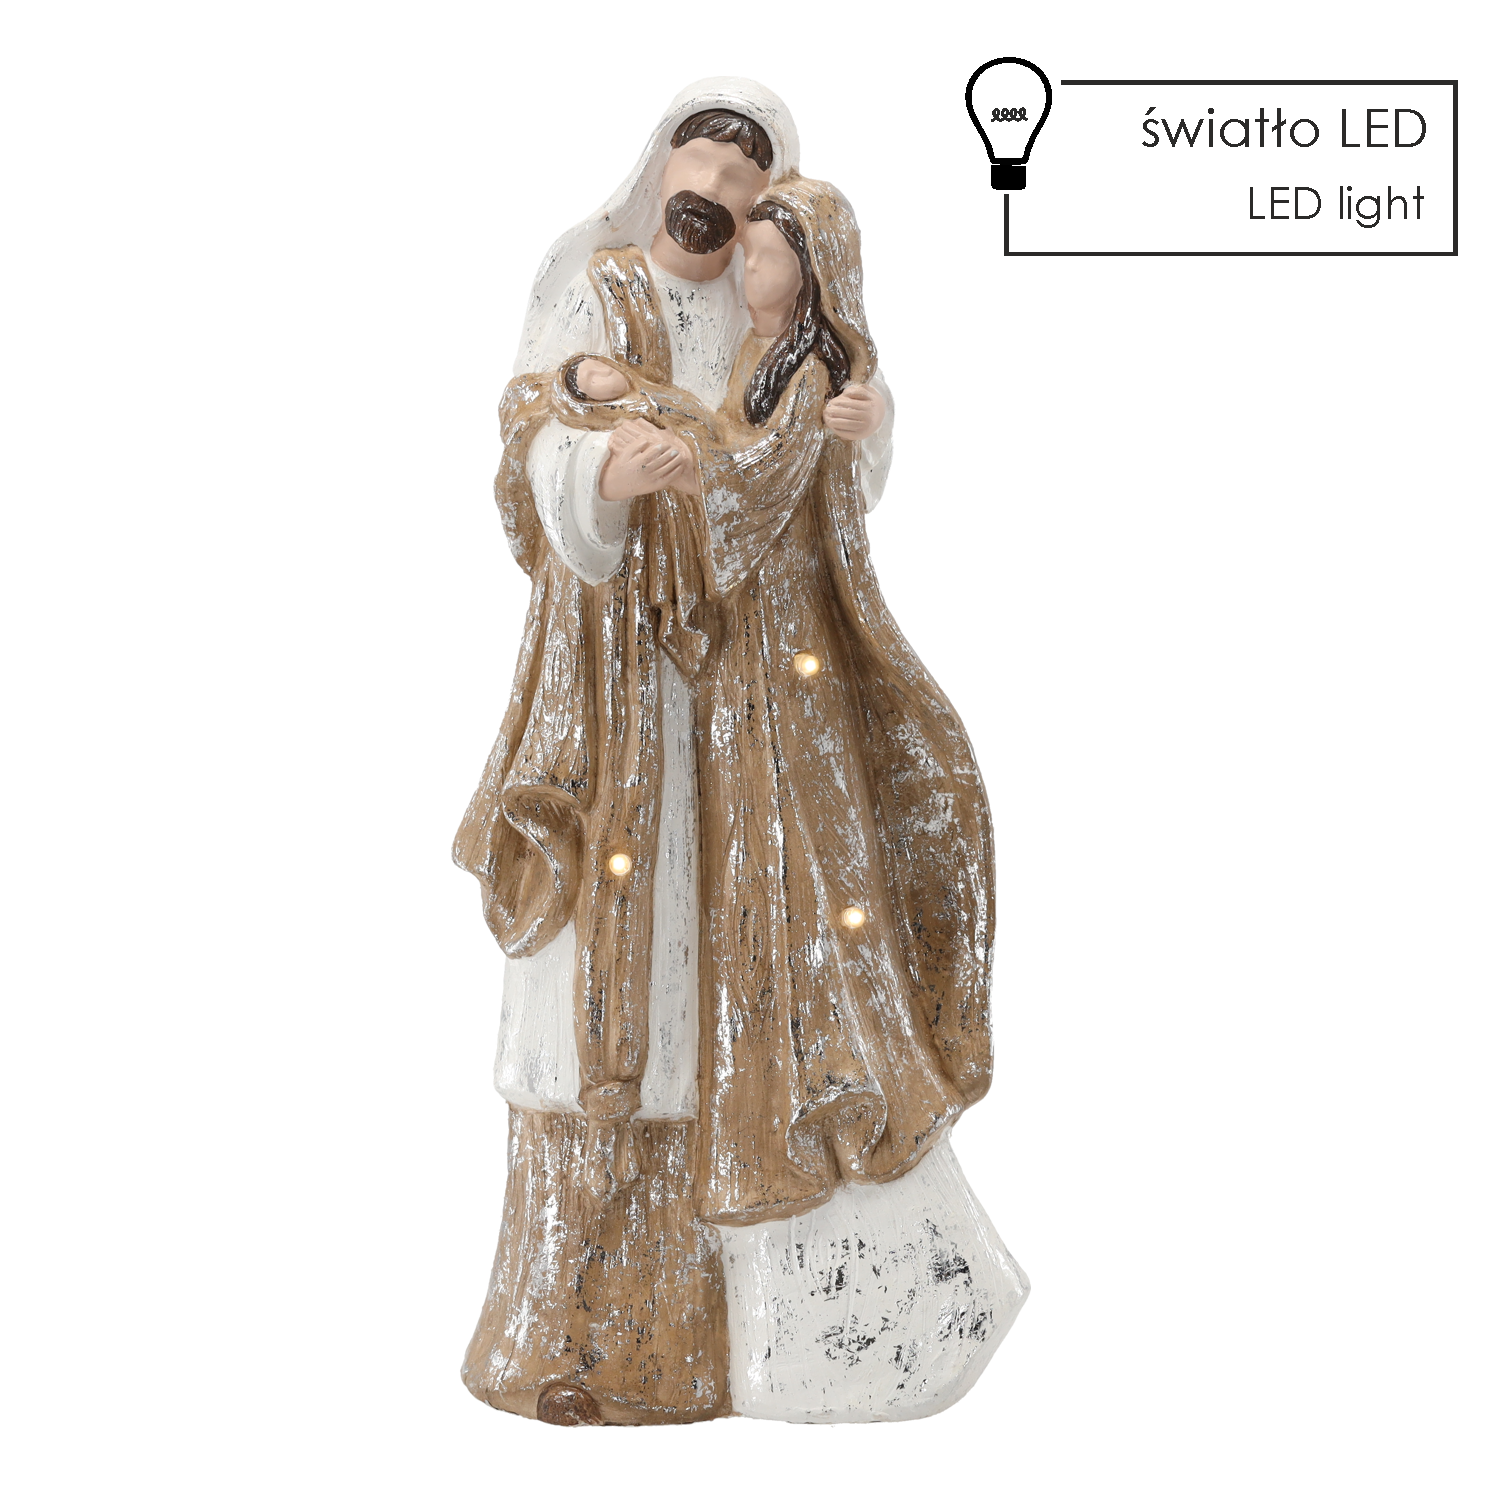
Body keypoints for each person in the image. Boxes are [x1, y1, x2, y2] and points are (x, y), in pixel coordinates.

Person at [455, 90, 1026, 1426]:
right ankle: (590, 1322)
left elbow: (805, 478)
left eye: (742, 181)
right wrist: (602, 478)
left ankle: (758, 1305)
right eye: (697, 159)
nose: (711, 192)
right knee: (608, 972)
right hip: (615, 682)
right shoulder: (593, 286)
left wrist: (863, 432)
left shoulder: (775, 325)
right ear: (657, 162)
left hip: (750, 702)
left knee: (732, 956)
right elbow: (529, 438)